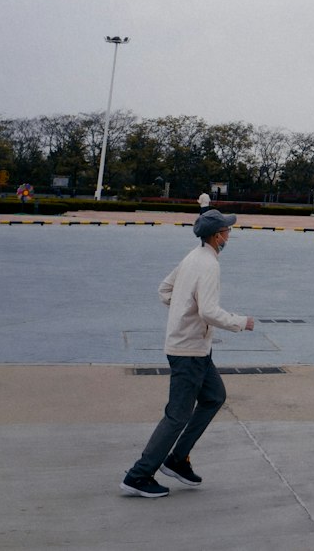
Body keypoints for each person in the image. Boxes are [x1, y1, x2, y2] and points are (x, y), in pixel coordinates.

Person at [121, 210, 254, 499]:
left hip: (196, 348)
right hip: (189, 350)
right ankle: (139, 475)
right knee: (177, 415)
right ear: (217, 235)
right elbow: (208, 310)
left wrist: (183, 312)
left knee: (214, 397)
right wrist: (240, 322)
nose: (230, 235)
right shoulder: (208, 265)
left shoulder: (192, 257)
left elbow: (164, 290)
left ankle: (178, 459)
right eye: (228, 231)